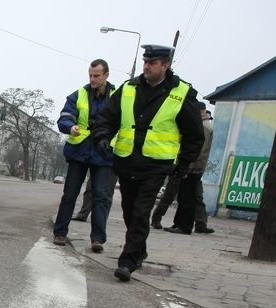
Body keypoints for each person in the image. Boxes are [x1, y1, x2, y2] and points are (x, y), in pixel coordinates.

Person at [92, 44, 204, 282]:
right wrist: (102, 137)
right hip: (126, 160)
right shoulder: (129, 88)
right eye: (145, 62)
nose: (146, 66)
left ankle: (127, 261)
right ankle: (139, 250)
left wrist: (183, 165)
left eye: (152, 63)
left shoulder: (181, 93)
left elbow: (194, 135)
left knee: (142, 212)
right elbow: (107, 118)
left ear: (165, 66)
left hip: (156, 164)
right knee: (129, 211)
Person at [53, 59, 115, 253]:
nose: (92, 79)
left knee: (100, 198)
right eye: (90, 75)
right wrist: (70, 127)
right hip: (79, 151)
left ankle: (97, 239)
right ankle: (60, 233)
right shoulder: (79, 94)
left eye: (96, 75)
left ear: (106, 75)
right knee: (70, 194)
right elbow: (65, 115)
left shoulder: (117, 96)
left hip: (103, 153)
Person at [152, 103, 215, 234]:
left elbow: (197, 150)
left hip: (188, 167)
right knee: (191, 197)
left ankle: (186, 224)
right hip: (188, 166)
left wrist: (187, 166)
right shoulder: (199, 124)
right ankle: (195, 224)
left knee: (184, 196)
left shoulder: (202, 126)